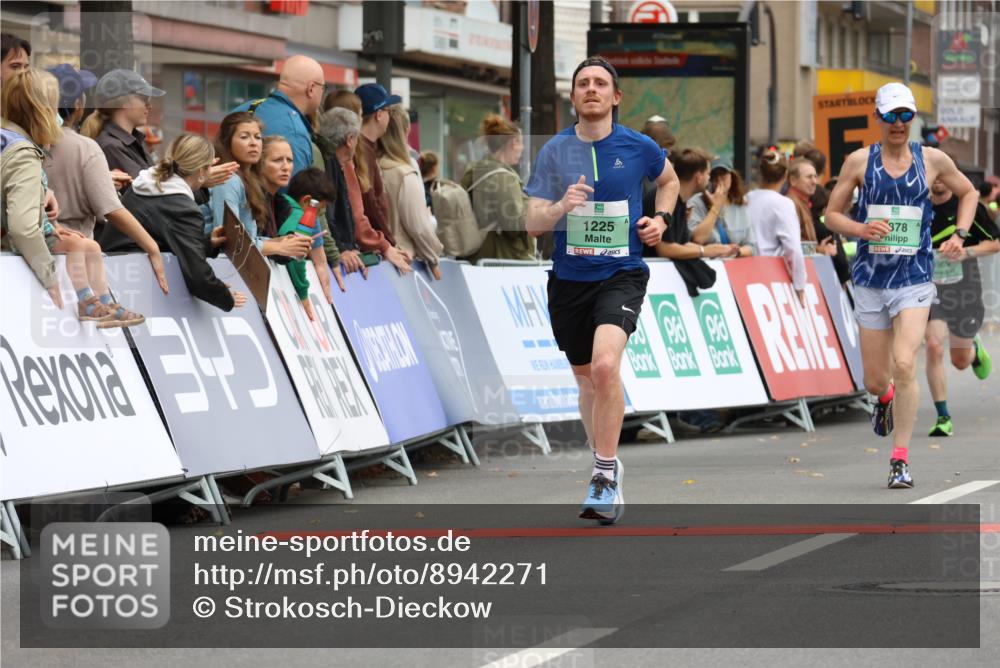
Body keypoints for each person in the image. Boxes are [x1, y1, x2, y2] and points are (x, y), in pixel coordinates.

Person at [525, 56, 679, 524]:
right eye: (583, 83)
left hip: (621, 274)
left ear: (615, 97)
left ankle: (605, 474)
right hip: (569, 280)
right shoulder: (554, 151)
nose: (591, 89)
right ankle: (604, 462)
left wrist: (661, 219)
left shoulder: (638, 146)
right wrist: (560, 206)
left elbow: (669, 181)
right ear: (573, 96)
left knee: (606, 366)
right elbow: (532, 223)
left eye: (600, 83)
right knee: (587, 378)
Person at [825, 82, 978, 489]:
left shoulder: (932, 159)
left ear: (913, 118)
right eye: (891, 115)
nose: (898, 123)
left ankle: (900, 460)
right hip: (871, 279)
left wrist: (960, 234)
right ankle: (885, 398)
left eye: (905, 115)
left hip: (914, 278)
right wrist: (861, 228)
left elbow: (969, 193)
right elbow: (830, 215)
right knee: (877, 380)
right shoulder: (860, 162)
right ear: (877, 117)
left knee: (906, 362)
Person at [2, 70, 144, 327]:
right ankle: (87, 300)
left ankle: (104, 300)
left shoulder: (12, 144)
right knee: (78, 245)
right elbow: (23, 227)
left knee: (90, 246)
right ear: (43, 109)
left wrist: (52, 216)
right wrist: (49, 277)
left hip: (37, 233)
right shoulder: (23, 154)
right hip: (20, 244)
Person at [42, 66, 168, 291]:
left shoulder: (26, 142)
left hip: (40, 253)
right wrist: (152, 247)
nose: (149, 105)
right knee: (96, 310)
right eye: (143, 98)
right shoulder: (87, 147)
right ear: (78, 105)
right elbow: (111, 209)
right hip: (77, 260)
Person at [103, 134, 245, 312]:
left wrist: (206, 243)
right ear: (202, 172)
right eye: (209, 168)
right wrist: (225, 296)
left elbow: (165, 237)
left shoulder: (148, 182)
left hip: (115, 276)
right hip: (134, 286)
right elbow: (198, 276)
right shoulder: (184, 209)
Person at [924, 177, 998, 437]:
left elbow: (995, 243)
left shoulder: (965, 207)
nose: (937, 180)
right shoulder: (919, 206)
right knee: (933, 345)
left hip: (964, 289)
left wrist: (965, 252)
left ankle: (974, 352)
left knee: (959, 361)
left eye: (942, 175)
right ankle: (943, 416)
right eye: (933, 174)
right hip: (930, 289)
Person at [316, 106, 412, 275]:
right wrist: (342, 250)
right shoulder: (336, 164)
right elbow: (335, 215)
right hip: (338, 257)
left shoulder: (334, 162)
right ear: (350, 140)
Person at [231, 55, 326, 176]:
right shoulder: (296, 133)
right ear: (311, 88)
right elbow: (294, 187)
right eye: (323, 87)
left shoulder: (241, 109)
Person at [460, 113, 535, 263]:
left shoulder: (474, 171)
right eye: (521, 143)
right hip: (502, 258)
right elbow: (514, 227)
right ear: (513, 143)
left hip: (475, 256)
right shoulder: (504, 178)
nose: (522, 149)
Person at [378, 105, 443, 276]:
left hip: (379, 258)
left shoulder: (369, 165)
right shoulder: (405, 172)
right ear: (406, 131)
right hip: (402, 261)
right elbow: (418, 226)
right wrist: (434, 256)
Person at [646, 148, 739, 262]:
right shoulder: (666, 198)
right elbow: (665, 249)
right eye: (708, 174)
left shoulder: (681, 202)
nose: (710, 179)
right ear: (698, 178)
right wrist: (705, 251)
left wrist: (719, 249)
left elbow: (683, 244)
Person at [274, 167, 338, 319]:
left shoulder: (283, 202)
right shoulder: (299, 217)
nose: (318, 217)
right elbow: (296, 256)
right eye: (319, 210)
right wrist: (303, 294)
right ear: (307, 201)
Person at [748, 149, 807, 306]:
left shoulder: (746, 198)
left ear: (760, 172)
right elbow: (793, 248)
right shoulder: (783, 204)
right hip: (772, 276)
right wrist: (800, 286)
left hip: (745, 272)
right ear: (786, 175)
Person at [82, 69, 166, 178]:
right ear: (124, 103)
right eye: (144, 99)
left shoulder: (133, 141)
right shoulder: (111, 146)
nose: (149, 106)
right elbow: (148, 185)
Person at [254, 135, 322, 262]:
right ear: (260, 163)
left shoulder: (281, 204)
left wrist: (291, 247)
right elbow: (244, 244)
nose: (286, 167)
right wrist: (281, 246)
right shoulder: (250, 198)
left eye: (289, 160)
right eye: (277, 160)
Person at [207, 111, 269, 243]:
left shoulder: (252, 179)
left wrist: (280, 242)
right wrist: (277, 247)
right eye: (244, 137)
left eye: (258, 137)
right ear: (227, 142)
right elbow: (228, 239)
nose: (254, 143)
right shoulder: (227, 178)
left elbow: (250, 238)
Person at [356, 83, 401, 245]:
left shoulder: (364, 147)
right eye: (388, 111)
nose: (390, 117)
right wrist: (388, 243)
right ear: (379, 115)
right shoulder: (362, 150)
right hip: (373, 244)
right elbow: (370, 204)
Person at [686, 158, 755, 256]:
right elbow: (698, 238)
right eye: (714, 175)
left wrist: (735, 252)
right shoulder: (696, 203)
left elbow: (752, 247)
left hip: (732, 262)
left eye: (723, 175)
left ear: (732, 177)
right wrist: (716, 207)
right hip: (707, 261)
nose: (719, 180)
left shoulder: (739, 205)